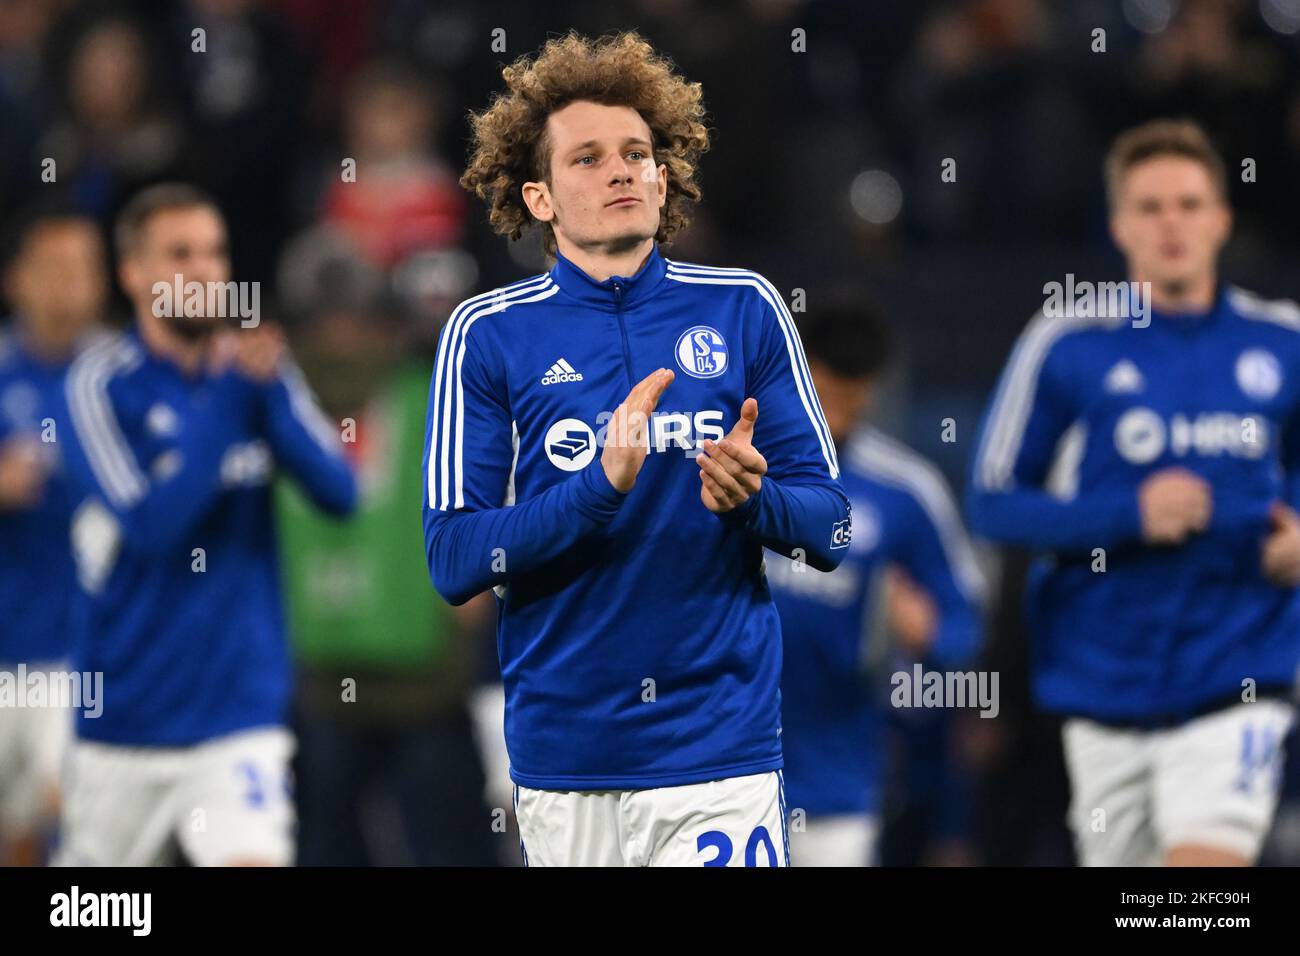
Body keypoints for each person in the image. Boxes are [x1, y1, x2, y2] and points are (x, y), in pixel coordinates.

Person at [424, 31, 850, 866]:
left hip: (718, 752)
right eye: (587, 159)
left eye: (636, 154)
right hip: (565, 762)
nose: (621, 171)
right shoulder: (486, 335)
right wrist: (596, 489)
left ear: (663, 175)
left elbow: (831, 530)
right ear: (540, 198)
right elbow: (453, 559)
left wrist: (755, 501)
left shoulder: (745, 309)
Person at [968, 119, 1300, 866]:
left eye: (1189, 204)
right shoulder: (1067, 342)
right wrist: (1130, 516)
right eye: (1150, 207)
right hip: (1102, 685)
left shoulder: (1284, 342)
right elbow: (992, 502)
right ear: (1119, 225)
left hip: (1238, 674)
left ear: (1222, 218)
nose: (1171, 224)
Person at [55, 183, 357, 866]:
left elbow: (340, 495)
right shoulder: (99, 385)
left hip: (239, 715)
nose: (203, 271)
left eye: (214, 253)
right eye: (180, 255)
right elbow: (154, 525)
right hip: (124, 723)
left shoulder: (257, 373)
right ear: (133, 273)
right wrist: (233, 396)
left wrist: (268, 396)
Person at [766, 300, 985, 865]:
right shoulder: (736, 467)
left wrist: (928, 632)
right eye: (825, 393)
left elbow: (964, 626)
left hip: (838, 779)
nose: (836, 415)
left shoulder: (905, 491)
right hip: (723, 770)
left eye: (852, 397)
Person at [0, 210, 108, 865]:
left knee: (78, 825)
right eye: (54, 268)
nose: (70, 284)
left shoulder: (122, 380)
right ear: (16, 278)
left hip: (80, 656)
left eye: (84, 269)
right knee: (14, 834)